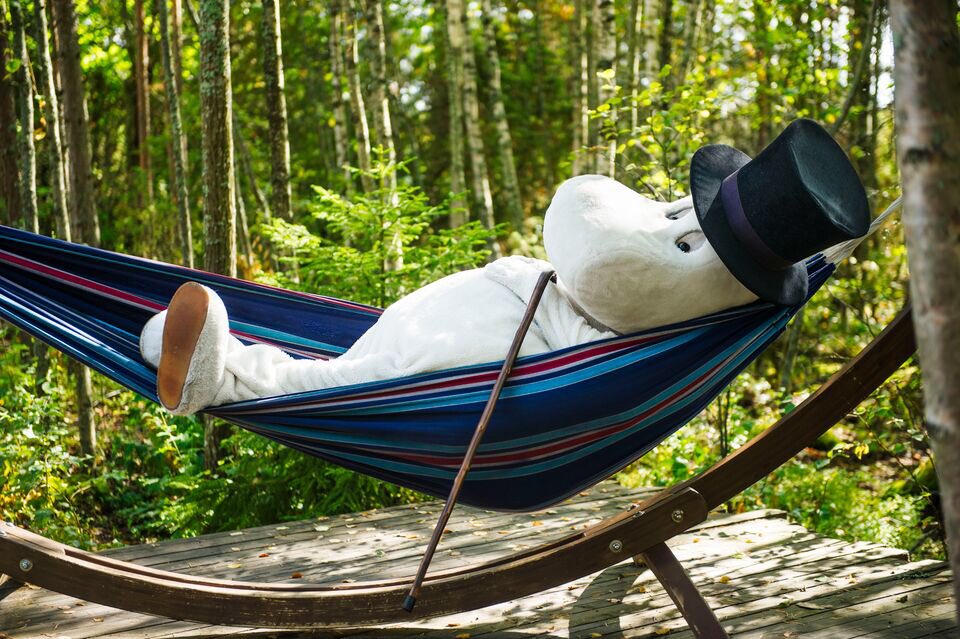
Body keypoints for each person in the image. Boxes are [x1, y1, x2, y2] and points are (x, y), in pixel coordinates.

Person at [141, 118, 869, 415]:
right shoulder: (728, 293)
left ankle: (213, 374)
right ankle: (191, 350)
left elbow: (599, 258)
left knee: (344, 378)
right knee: (363, 354)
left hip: (504, 342)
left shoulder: (691, 324)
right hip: (503, 299)